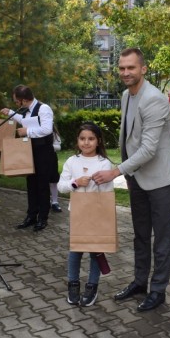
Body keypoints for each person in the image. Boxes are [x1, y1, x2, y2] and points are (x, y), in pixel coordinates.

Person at [92, 48, 170, 312]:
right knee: (140, 235)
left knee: (162, 238)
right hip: (137, 178)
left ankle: (158, 290)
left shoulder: (154, 99)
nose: (125, 73)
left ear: (143, 69)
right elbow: (129, 137)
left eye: (131, 68)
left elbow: (148, 149)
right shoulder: (125, 95)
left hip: (160, 179)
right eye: (121, 68)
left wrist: (116, 171)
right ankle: (140, 282)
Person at [58, 122, 114, 306]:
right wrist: (75, 182)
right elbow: (61, 186)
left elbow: (107, 193)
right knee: (75, 249)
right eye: (82, 139)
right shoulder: (72, 161)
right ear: (77, 140)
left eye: (91, 139)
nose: (86, 143)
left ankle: (92, 286)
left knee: (95, 251)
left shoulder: (104, 163)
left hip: (96, 214)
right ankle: (73, 284)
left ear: (98, 141)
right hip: (77, 213)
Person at [0, 85, 54, 232]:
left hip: (43, 152)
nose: (16, 104)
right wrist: (11, 113)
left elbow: (47, 129)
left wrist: (27, 131)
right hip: (30, 151)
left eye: (16, 102)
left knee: (42, 185)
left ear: (23, 100)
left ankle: (43, 217)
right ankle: (31, 215)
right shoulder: (27, 110)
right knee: (31, 184)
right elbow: (24, 120)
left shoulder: (44, 108)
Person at [50, 125, 62, 213]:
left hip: (51, 158)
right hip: (38, 158)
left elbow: (58, 146)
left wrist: (48, 146)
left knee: (53, 180)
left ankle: (54, 202)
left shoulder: (54, 134)